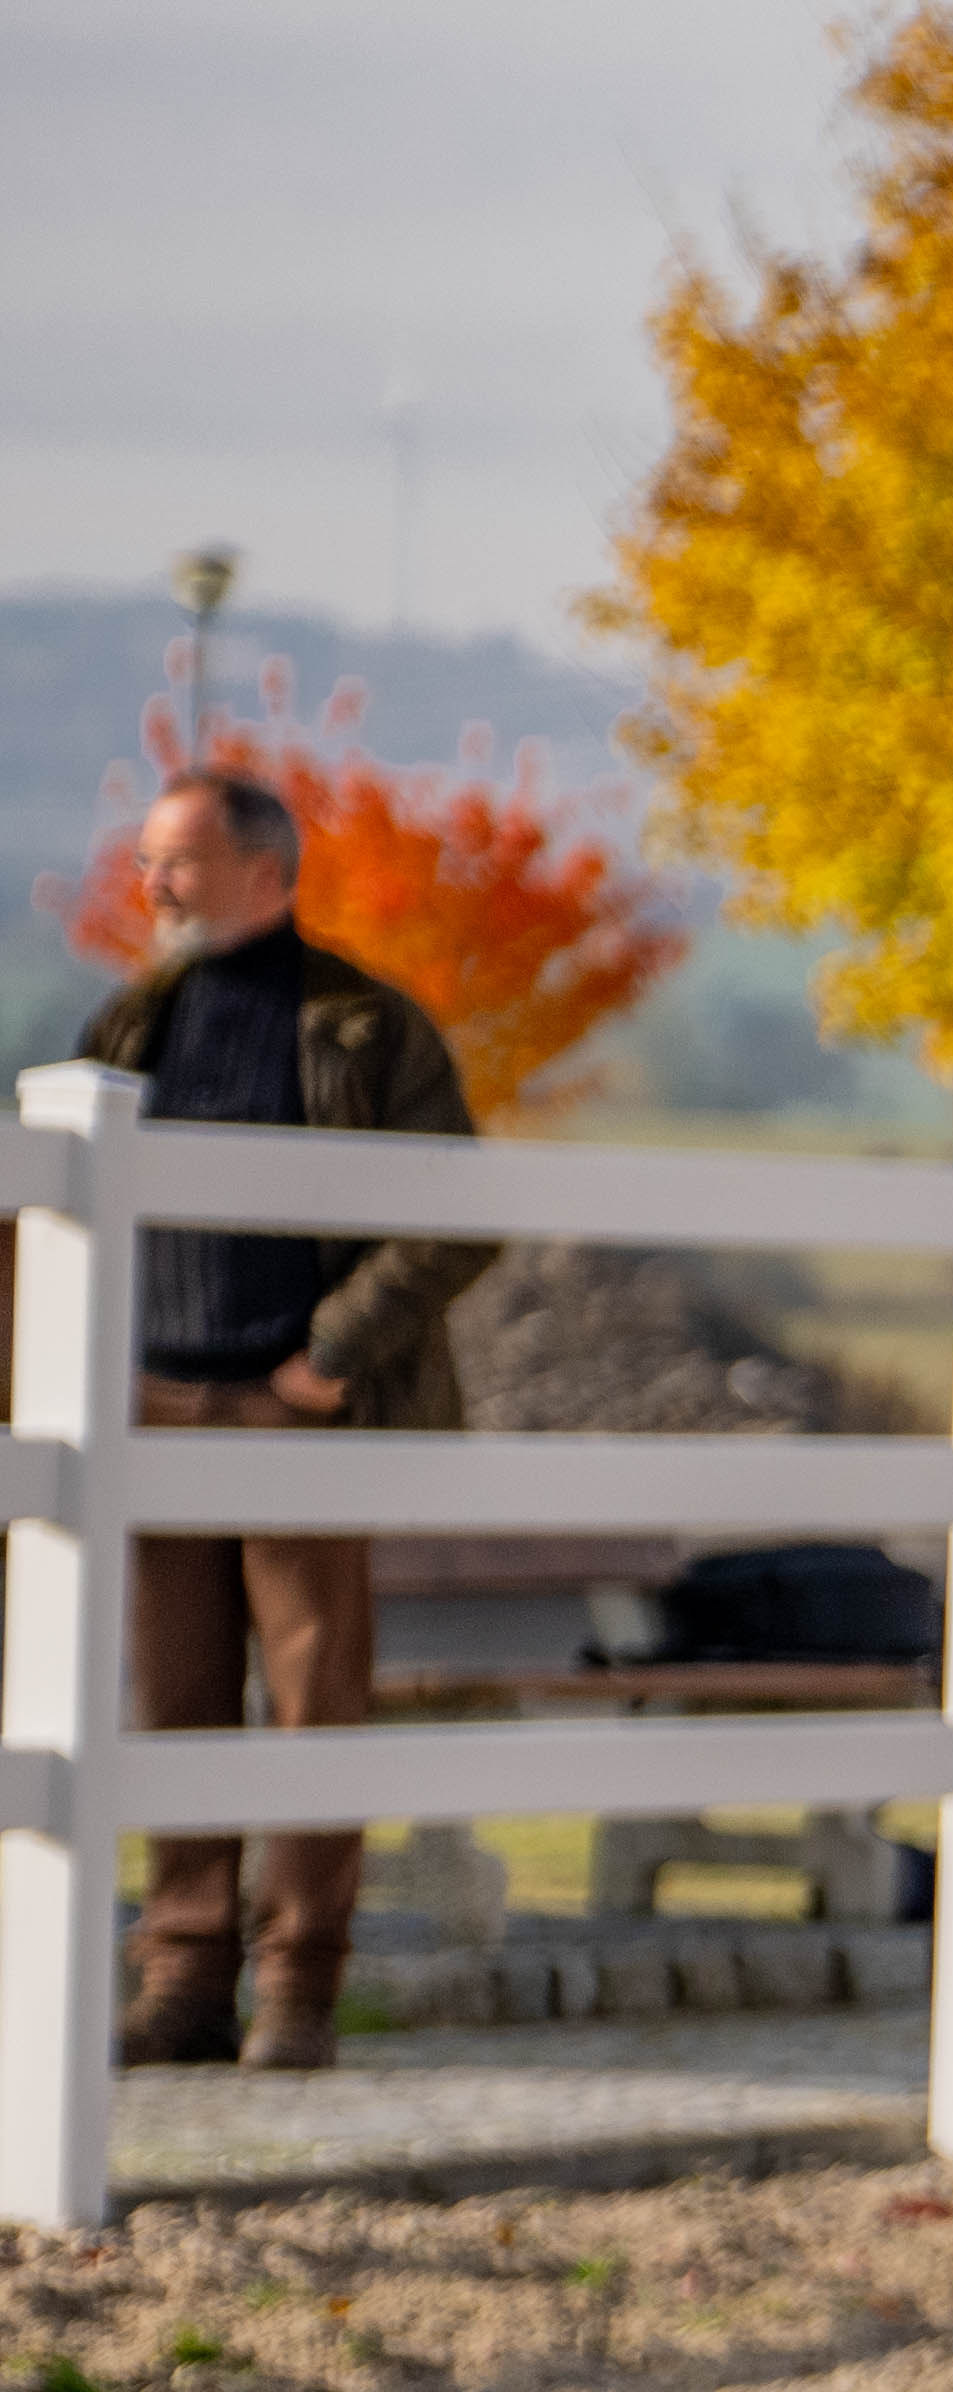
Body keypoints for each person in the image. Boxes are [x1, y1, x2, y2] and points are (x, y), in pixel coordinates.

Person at [66, 769, 482, 2070]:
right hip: (152, 1411)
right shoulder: (130, 1025)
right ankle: (183, 1985)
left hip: (295, 1418)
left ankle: (300, 1988)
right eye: (148, 862)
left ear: (265, 869)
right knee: (175, 1705)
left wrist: (330, 1360)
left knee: (313, 1705)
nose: (154, 887)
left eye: (177, 862)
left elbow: (454, 1213)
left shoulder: (367, 1027)